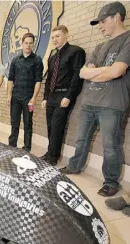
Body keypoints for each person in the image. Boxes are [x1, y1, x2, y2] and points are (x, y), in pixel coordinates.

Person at [61, 2, 130, 197]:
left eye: (103, 21)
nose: (100, 26)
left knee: (110, 146)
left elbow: (117, 71)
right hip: (90, 101)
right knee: (81, 139)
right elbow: (83, 72)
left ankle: (111, 182)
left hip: (112, 103)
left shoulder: (128, 39)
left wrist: (98, 72)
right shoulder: (100, 46)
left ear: (117, 17)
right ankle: (74, 167)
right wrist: (103, 72)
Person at [41, 25, 86, 166]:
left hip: (64, 95)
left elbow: (76, 77)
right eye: (53, 37)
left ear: (66, 35)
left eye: (58, 36)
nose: (55, 39)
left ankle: (53, 157)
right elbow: (49, 79)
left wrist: (69, 96)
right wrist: (45, 97)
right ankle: (50, 152)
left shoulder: (76, 52)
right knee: (50, 126)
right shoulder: (52, 56)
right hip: (52, 96)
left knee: (57, 126)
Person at [7, 33, 43, 151]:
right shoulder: (15, 60)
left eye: (30, 43)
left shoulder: (37, 60)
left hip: (28, 98)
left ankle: (27, 148)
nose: (28, 45)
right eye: (26, 43)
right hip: (15, 98)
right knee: (14, 123)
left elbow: (38, 80)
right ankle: (12, 146)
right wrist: (8, 95)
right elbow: (10, 79)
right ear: (22, 44)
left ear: (33, 44)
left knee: (28, 124)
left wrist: (34, 98)